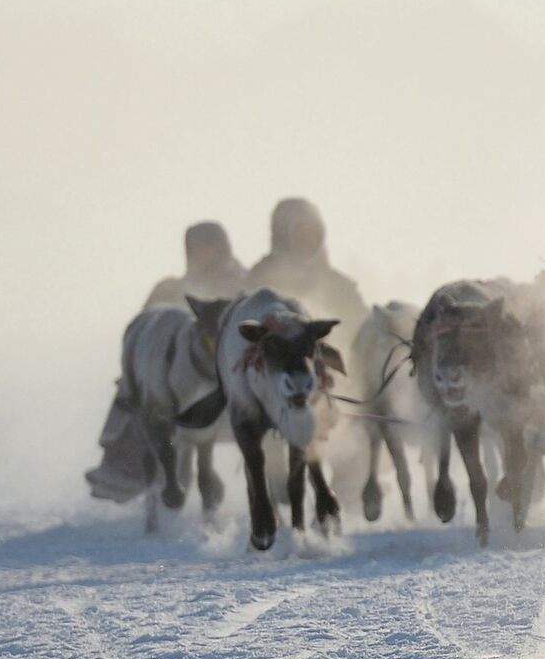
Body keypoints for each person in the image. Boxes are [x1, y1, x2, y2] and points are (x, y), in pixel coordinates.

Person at [86, 221, 249, 503]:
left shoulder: (241, 286)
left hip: (228, 377)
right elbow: (146, 331)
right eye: (196, 249)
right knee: (136, 391)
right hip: (172, 376)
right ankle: (121, 468)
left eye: (208, 247)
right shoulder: (171, 289)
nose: (202, 254)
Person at [246, 198, 367, 329]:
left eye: (314, 234)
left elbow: (361, 329)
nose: (308, 241)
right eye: (300, 234)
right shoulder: (259, 281)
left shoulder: (341, 288)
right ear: (283, 236)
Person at [142, 221, 248, 309]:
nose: (199, 253)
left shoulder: (245, 284)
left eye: (206, 247)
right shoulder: (169, 291)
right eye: (195, 248)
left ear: (220, 248)